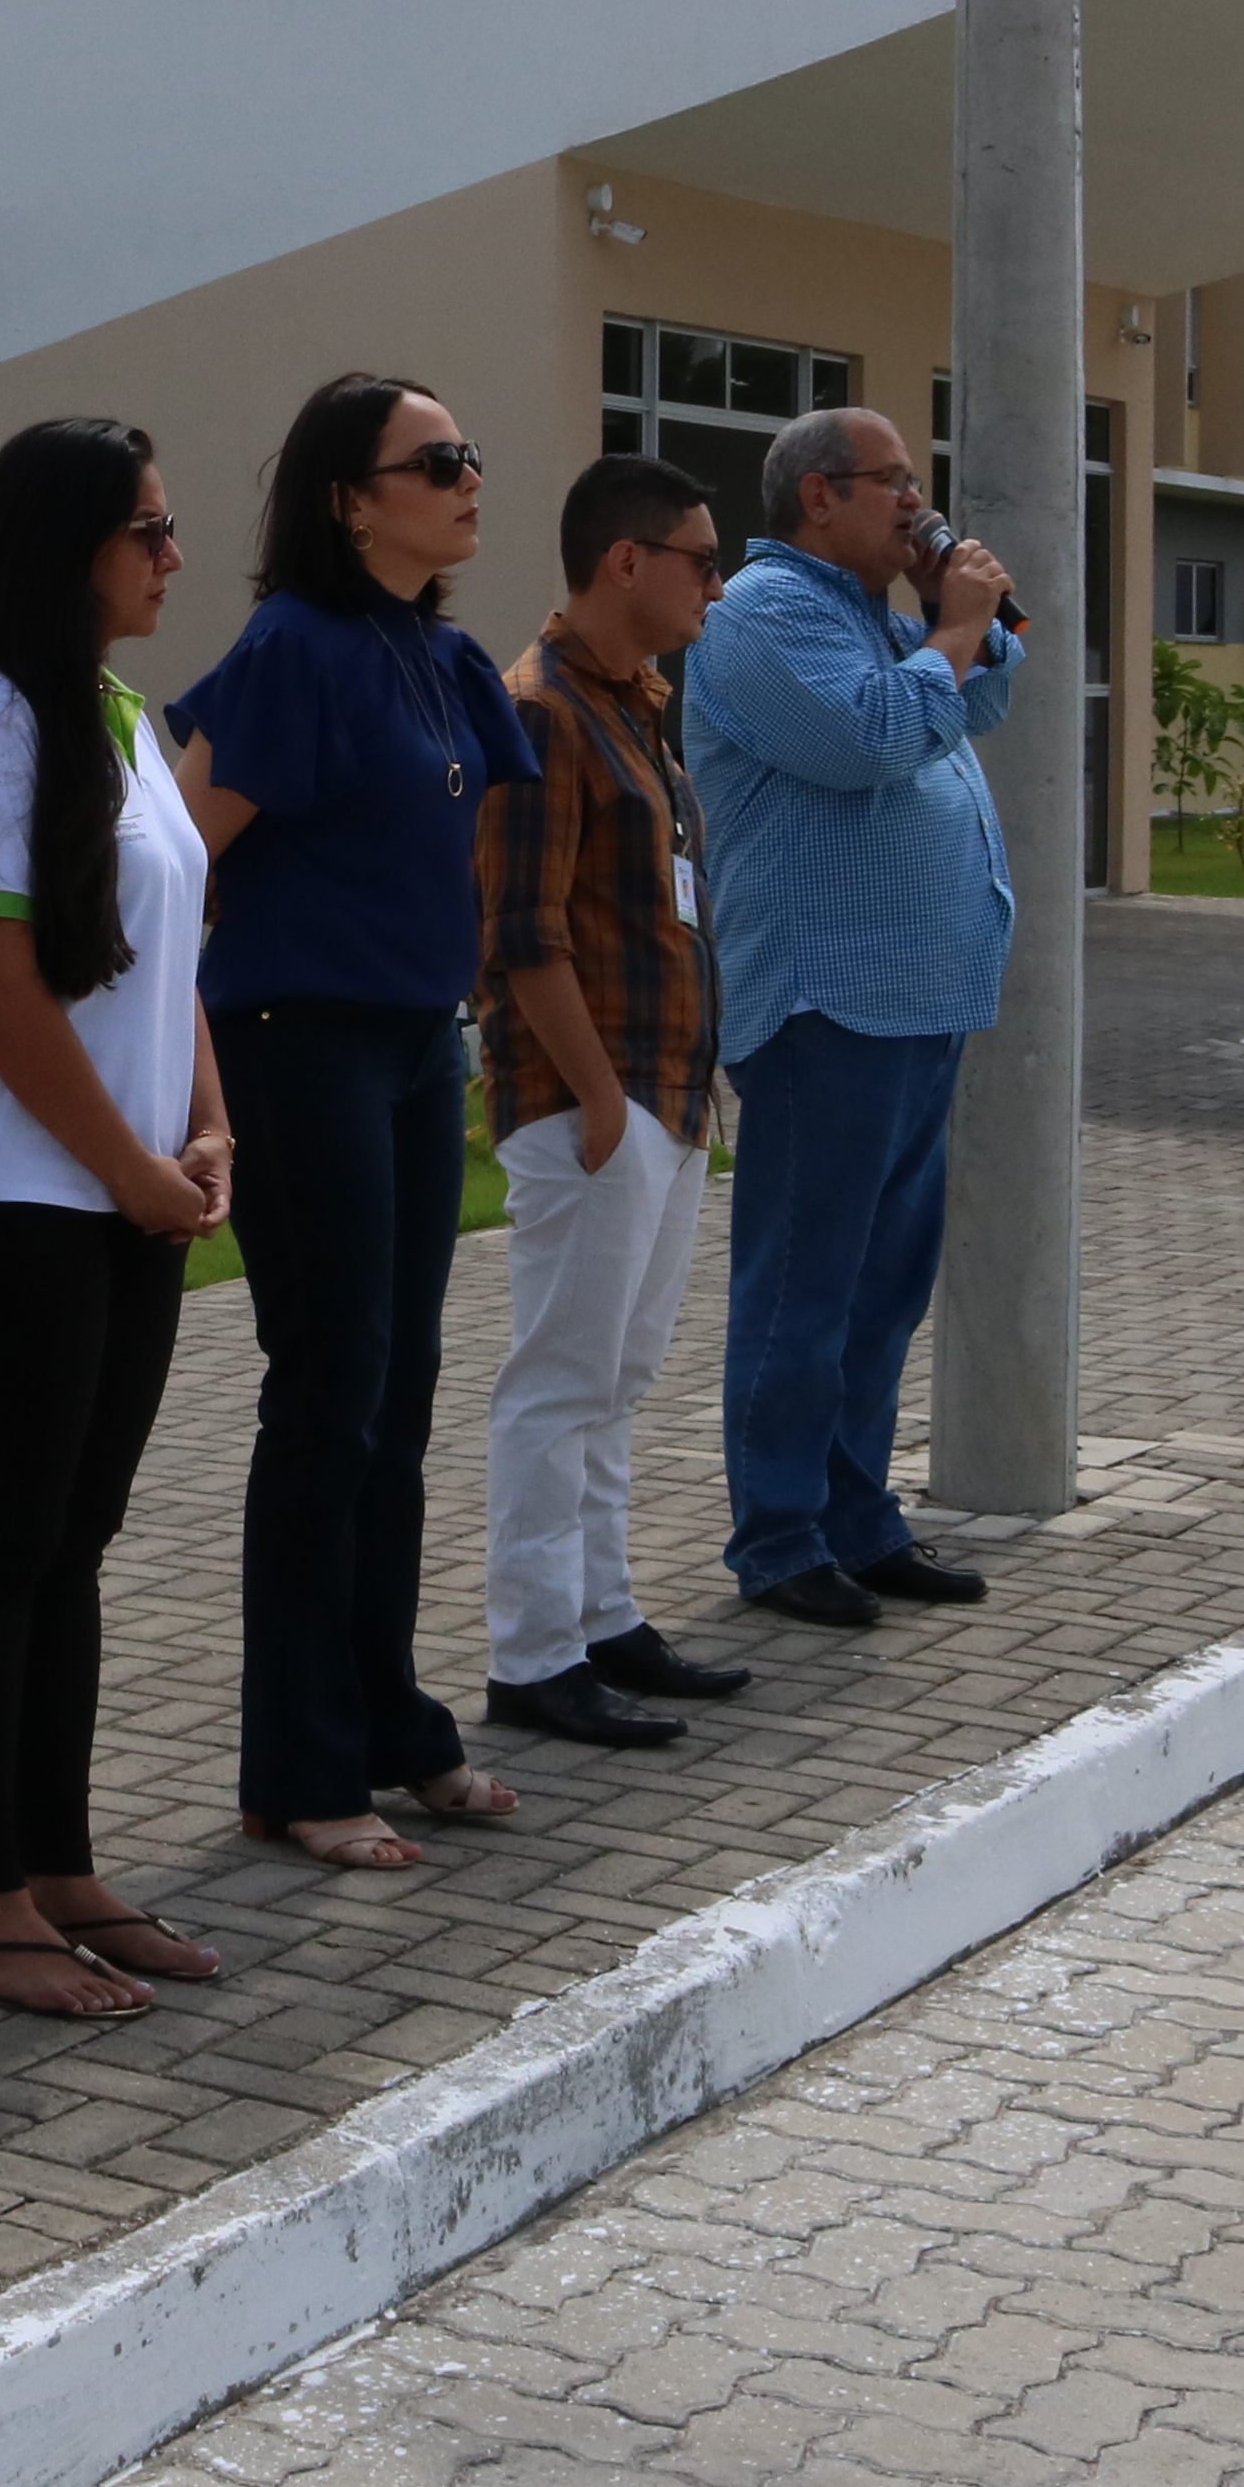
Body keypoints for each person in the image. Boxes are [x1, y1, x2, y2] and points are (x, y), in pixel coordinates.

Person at [0, 419, 235, 2020]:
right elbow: (3, 995)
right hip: (12, 1195)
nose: (172, 555)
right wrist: (132, 1167)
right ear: (65, 544)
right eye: (146, 530)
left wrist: (206, 1124)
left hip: (121, 1193)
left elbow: (166, 964)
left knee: (74, 1543)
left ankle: (58, 1865)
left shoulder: (118, 717)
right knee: (1, 1540)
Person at [171, 373, 544, 1872]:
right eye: (437, 460)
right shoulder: (293, 650)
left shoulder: (440, 657)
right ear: (348, 498)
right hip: (294, 1046)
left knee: (399, 1394)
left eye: (471, 454)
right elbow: (172, 857)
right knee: (327, 1396)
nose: (468, 481)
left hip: (408, 1052)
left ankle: (392, 1722)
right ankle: (298, 1766)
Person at [683, 402, 1017, 1632]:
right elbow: (869, 739)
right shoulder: (762, 618)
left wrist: (958, 615)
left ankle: (855, 1513)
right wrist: (958, 626)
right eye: (895, 485)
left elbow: (978, 704)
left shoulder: (878, 613)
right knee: (804, 1289)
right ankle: (777, 1537)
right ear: (818, 495)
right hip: (827, 1008)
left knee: (883, 1287)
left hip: (917, 1003)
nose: (917, 505)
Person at [467, 452, 757, 1751]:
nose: (717, 582)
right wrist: (594, 1099)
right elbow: (522, 934)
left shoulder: (637, 704)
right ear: (626, 562)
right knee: (560, 1380)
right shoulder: (537, 710)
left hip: (668, 1098)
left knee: (619, 1377)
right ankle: (533, 1654)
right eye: (701, 558)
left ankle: (604, 1619)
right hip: (599, 1101)